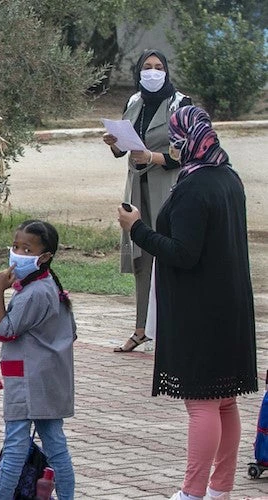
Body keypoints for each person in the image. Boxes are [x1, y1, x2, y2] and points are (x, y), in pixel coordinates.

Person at [117, 106, 256, 500]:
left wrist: (137, 229)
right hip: (228, 304)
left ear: (189, 140)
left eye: (177, 139)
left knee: (201, 403)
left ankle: (193, 492)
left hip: (200, 309)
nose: (174, 147)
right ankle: (219, 489)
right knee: (224, 401)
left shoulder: (195, 187)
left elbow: (184, 253)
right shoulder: (227, 177)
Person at [104, 49, 192, 353]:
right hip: (138, 187)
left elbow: (188, 151)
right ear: (138, 72)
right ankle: (141, 329)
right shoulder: (134, 101)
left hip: (167, 189)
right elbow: (127, 145)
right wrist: (114, 143)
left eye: (158, 67)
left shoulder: (181, 104)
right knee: (141, 256)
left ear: (167, 71)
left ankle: (174, 326)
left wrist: (152, 156)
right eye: (147, 67)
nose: (152, 72)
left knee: (168, 253)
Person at [0, 220, 76, 500]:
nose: (18, 253)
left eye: (27, 249)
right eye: (16, 246)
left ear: (45, 257)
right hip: (46, 379)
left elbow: (5, 330)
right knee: (55, 443)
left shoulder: (34, 293)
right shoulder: (47, 285)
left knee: (15, 442)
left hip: (27, 380)